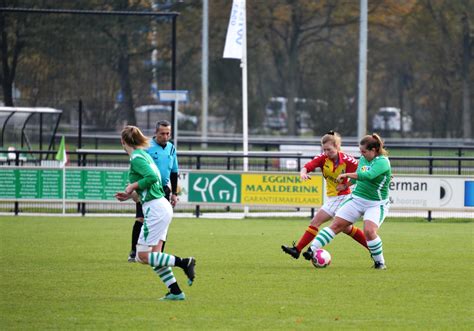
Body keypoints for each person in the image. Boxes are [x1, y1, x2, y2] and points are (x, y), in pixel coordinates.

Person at [116, 125, 195, 300]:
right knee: (154, 257)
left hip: (156, 209)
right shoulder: (143, 155)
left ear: (123, 141)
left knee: (142, 256)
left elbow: (151, 177)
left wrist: (131, 186)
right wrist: (129, 196)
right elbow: (150, 183)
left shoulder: (137, 158)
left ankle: (184, 262)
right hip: (160, 206)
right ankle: (175, 292)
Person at [304, 133, 391, 269]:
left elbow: (368, 175)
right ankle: (311, 250)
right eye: (360, 151)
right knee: (337, 225)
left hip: (376, 203)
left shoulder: (383, 162)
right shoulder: (364, 159)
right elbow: (358, 176)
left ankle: (380, 262)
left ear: (373, 150)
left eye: (364, 151)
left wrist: (346, 175)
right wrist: (346, 185)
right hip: (356, 199)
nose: (361, 154)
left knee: (369, 231)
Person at [281, 131, 369, 259]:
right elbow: (308, 166)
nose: (327, 152)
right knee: (347, 229)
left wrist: (346, 185)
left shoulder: (348, 160)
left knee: (316, 221)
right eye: (324, 150)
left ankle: (298, 250)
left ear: (337, 147)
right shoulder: (323, 158)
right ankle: (373, 248)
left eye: (329, 150)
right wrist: (303, 173)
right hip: (333, 197)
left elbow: (362, 173)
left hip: (343, 197)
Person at [128, 120, 179, 262]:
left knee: (163, 220)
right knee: (141, 218)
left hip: (164, 188)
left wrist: (174, 193)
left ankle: (159, 254)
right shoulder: (147, 147)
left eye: (168, 133)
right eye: (162, 133)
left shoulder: (171, 148)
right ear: (156, 133)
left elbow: (174, 171)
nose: (166, 136)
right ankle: (134, 252)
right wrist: (133, 187)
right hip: (147, 188)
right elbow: (138, 168)